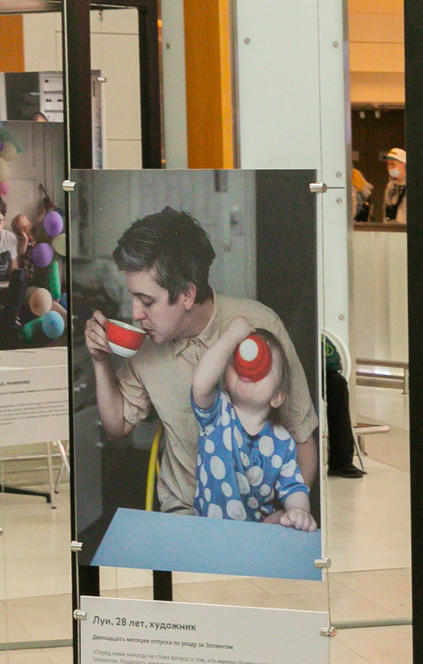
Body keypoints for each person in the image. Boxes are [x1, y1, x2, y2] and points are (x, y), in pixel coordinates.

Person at [83, 207, 320, 516]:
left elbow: (302, 438)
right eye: (133, 297)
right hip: (184, 509)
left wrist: (285, 515)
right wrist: (99, 361)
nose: (135, 313)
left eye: (147, 301)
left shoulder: (260, 325)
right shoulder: (147, 346)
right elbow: (116, 427)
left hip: (260, 513)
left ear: (186, 295)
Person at [188, 321, 317, 531]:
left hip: (257, 537)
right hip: (208, 531)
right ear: (225, 378)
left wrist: (298, 511)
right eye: (237, 360)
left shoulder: (282, 442)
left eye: (265, 367)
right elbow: (201, 384)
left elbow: (294, 488)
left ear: (277, 397)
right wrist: (231, 337)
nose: (249, 366)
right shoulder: (217, 413)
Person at [376, 147, 408, 223]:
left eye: (393, 164)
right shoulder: (390, 186)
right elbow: (385, 209)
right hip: (392, 227)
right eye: (388, 164)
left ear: (403, 165)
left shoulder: (414, 185)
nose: (390, 168)